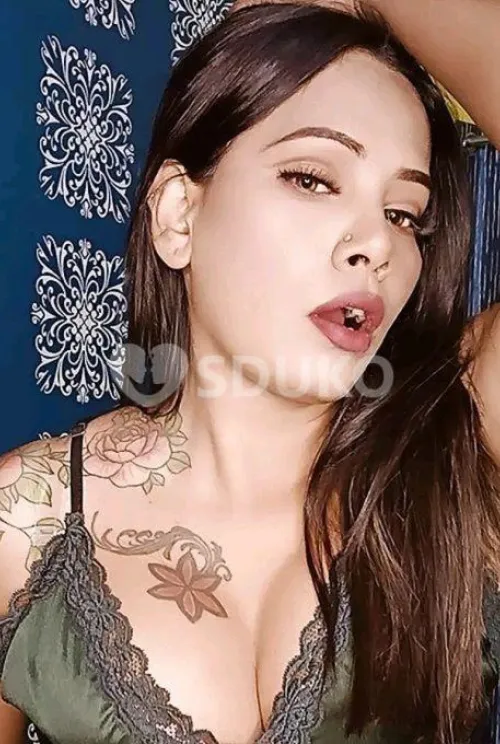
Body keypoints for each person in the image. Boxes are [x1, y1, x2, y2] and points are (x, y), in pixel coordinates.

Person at [0, 3, 499, 744]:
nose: (376, 243)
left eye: (404, 214)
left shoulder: (459, 445)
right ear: (179, 215)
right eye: (313, 178)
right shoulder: (23, 524)